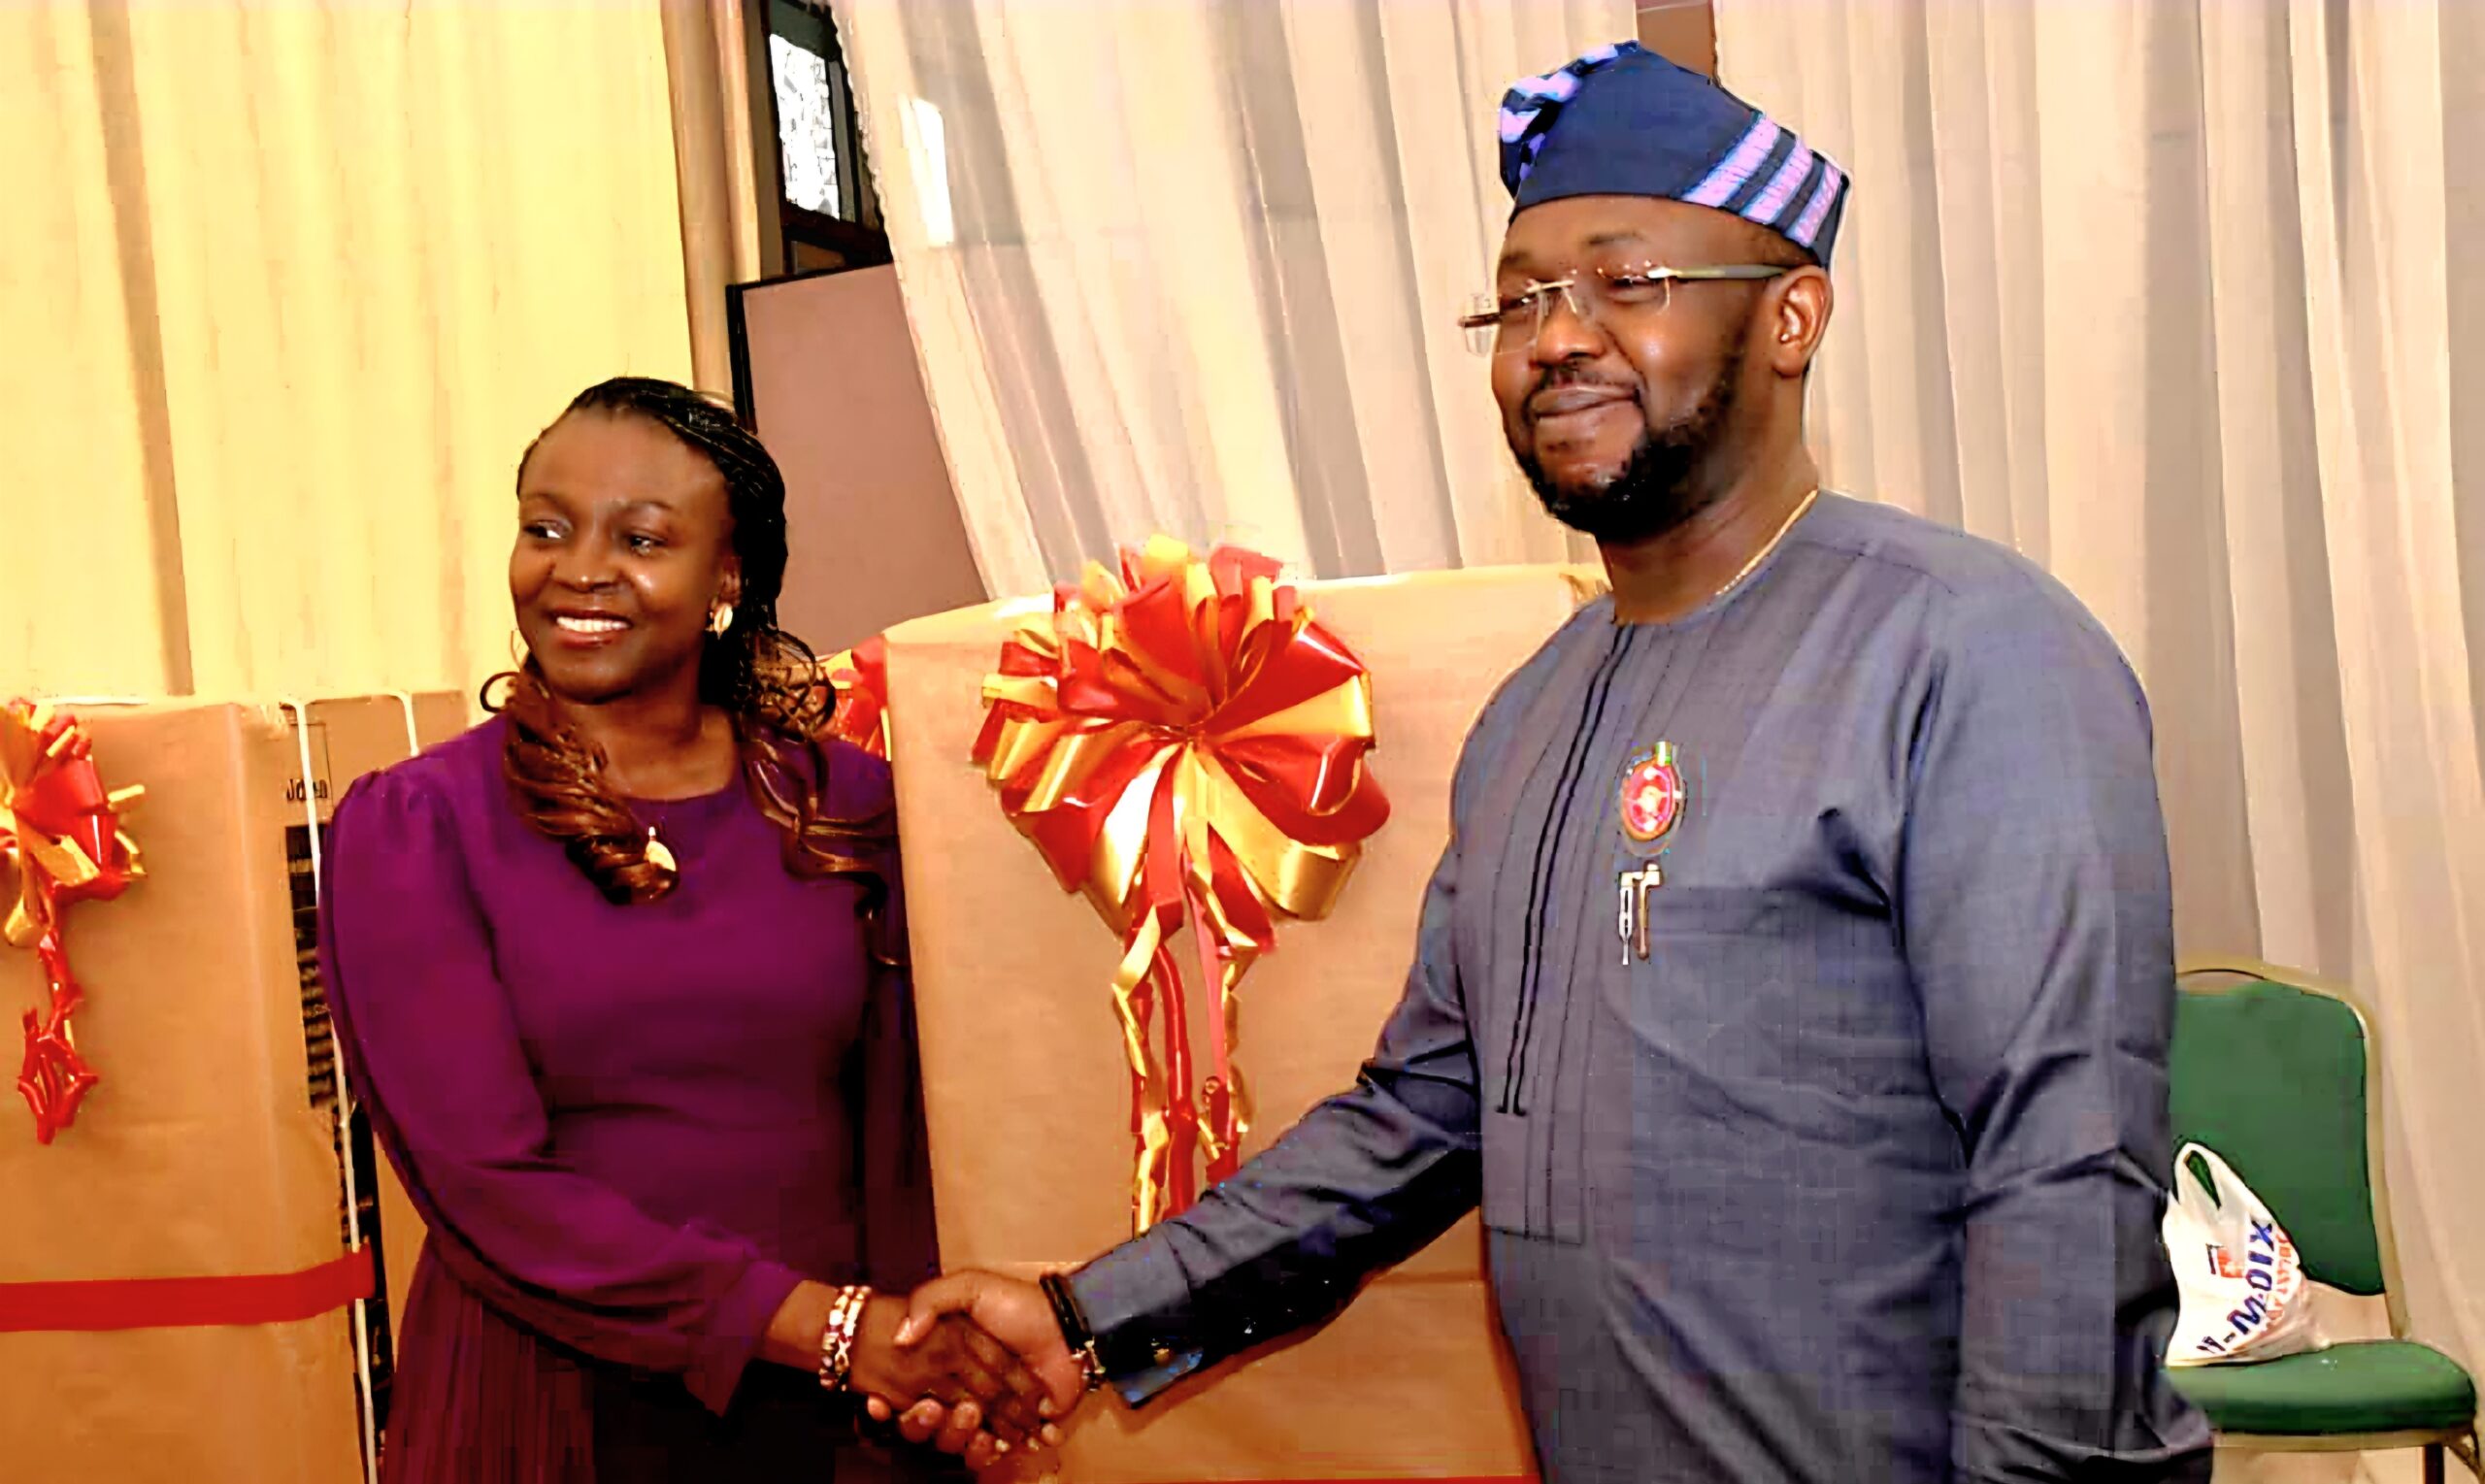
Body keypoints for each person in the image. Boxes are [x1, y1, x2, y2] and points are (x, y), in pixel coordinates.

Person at [894, 42, 2215, 1483]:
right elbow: (1427, 1113)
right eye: (1520, 299)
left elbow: (2067, 1159)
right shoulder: (1533, 712)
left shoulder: (1967, 648)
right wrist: (1088, 1316)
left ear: (1791, 318)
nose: (1556, 338)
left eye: (1626, 282)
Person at [317, 378, 1049, 1482]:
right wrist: (825, 1327)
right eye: (545, 528)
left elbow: (912, 1138)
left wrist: (928, 1358)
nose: (578, 569)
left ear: (729, 577)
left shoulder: (852, 806)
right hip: (555, 1406)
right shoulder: (416, 825)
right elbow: (488, 1186)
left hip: (835, 1417)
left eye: (641, 537)